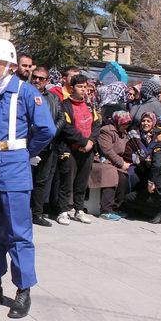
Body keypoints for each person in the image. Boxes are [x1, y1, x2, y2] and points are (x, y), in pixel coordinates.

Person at [0, 39, 55, 318]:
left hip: (14, 169)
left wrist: (25, 154)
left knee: (19, 233)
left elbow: (46, 129)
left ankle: (23, 289)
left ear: (9, 65)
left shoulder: (25, 92)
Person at [55, 74, 101, 225]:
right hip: (71, 149)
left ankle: (78, 209)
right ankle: (62, 211)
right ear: (72, 88)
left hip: (87, 150)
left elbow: (96, 126)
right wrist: (82, 142)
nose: (83, 90)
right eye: (79, 87)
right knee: (66, 182)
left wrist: (90, 142)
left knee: (82, 182)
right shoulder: (65, 105)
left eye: (85, 87)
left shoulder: (90, 105)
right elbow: (67, 128)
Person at [123, 119, 161, 223]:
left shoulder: (159, 147)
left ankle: (157, 211)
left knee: (128, 199)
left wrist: (151, 183)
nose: (155, 135)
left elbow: (157, 166)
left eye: (158, 133)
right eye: (155, 132)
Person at [30, 66, 64, 227]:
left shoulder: (53, 98)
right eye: (34, 77)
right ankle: (23, 212)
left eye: (41, 78)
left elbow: (61, 118)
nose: (37, 80)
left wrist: (49, 134)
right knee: (25, 180)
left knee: (42, 181)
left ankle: (37, 213)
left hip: (48, 146)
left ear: (47, 81)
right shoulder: (25, 94)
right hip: (28, 146)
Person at [95, 110, 132, 220]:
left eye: (128, 123)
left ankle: (116, 208)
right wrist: (121, 163)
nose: (126, 126)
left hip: (116, 162)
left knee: (124, 178)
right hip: (103, 161)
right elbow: (107, 150)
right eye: (124, 123)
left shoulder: (124, 133)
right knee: (112, 174)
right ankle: (105, 210)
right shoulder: (106, 131)